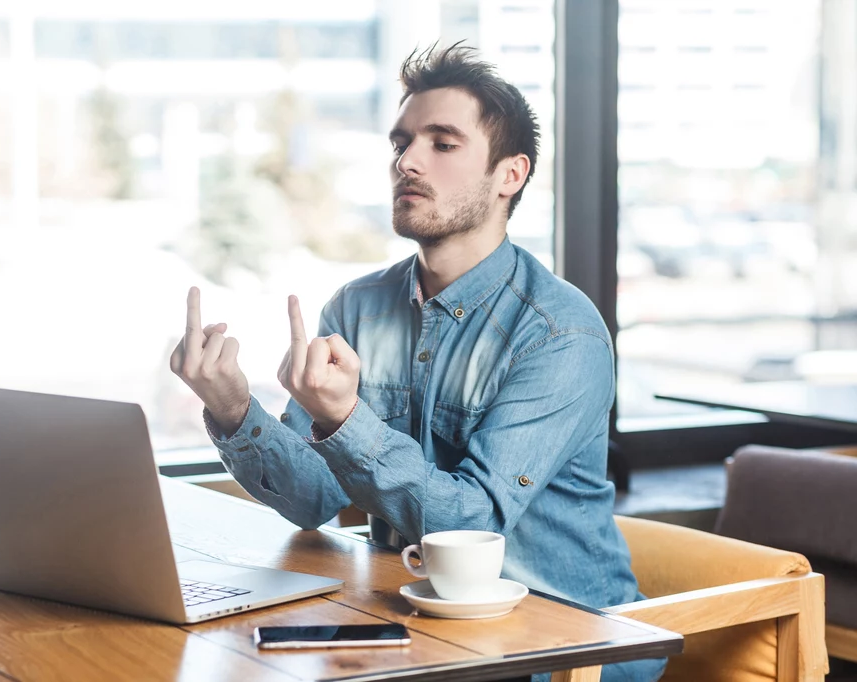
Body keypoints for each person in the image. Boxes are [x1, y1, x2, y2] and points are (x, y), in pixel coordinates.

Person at [170, 44, 665, 682]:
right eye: (401, 142)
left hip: (568, 645)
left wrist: (345, 418)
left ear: (509, 175)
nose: (407, 161)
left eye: (443, 143)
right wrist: (233, 406)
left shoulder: (560, 334)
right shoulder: (357, 307)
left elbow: (474, 527)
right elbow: (313, 497)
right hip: (418, 628)